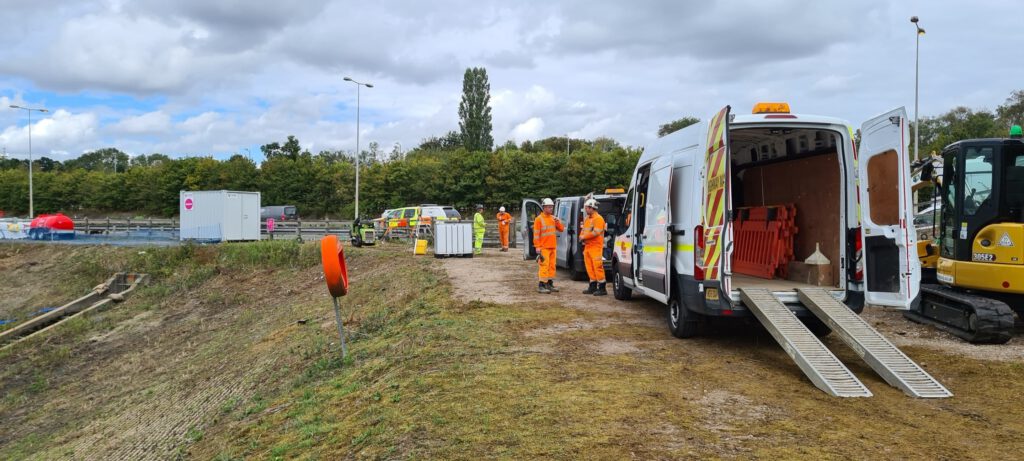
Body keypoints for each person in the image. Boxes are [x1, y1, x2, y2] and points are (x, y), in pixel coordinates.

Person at [533, 198, 564, 293]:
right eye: (549, 207)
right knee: (544, 266)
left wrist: (558, 221)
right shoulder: (539, 219)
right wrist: (537, 246)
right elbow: (536, 234)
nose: (551, 209)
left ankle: (549, 284)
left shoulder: (553, 218)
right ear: (544, 207)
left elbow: (561, 229)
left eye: (552, 207)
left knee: (552, 266)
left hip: (552, 247)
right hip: (544, 247)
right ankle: (541, 285)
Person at [579, 198, 608, 296]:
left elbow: (596, 232)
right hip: (588, 246)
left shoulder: (598, 219)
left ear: (592, 208)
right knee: (589, 267)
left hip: (596, 247)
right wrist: (581, 236)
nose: (585, 210)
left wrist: (584, 236)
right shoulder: (587, 219)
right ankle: (592, 286)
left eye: (587, 208)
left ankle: (602, 288)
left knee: (597, 267)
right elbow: (583, 230)